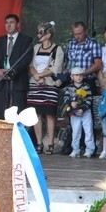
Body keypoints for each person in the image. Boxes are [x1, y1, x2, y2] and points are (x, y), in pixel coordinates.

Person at [28, 23, 64, 154]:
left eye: (41, 33)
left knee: (49, 113)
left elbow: (56, 68)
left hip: (50, 84)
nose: (38, 35)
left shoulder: (57, 49)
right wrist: (37, 77)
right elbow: (30, 65)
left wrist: (42, 75)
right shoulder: (36, 47)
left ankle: (50, 142)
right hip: (35, 83)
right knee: (36, 113)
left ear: (48, 35)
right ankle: (38, 143)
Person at [0, 14, 33, 119]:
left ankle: (17, 135)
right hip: (2, 81)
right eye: (6, 23)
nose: (8, 25)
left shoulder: (26, 40)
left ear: (18, 24)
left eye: (11, 22)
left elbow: (26, 60)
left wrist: (12, 71)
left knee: (19, 113)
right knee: (1, 112)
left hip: (18, 81)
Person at [64, 67, 95, 159]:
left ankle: (89, 150)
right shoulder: (69, 88)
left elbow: (89, 99)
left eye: (81, 75)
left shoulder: (86, 87)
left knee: (88, 131)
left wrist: (83, 109)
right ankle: (75, 150)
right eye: (76, 75)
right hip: (74, 113)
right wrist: (70, 103)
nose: (79, 77)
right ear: (72, 76)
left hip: (85, 112)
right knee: (76, 131)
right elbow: (65, 99)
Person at [65, 21, 103, 91]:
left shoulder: (93, 44)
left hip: (87, 80)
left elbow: (98, 64)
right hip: (71, 79)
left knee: (85, 101)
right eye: (75, 34)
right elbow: (66, 62)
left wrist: (82, 74)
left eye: (79, 33)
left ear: (86, 31)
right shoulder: (71, 44)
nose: (77, 36)